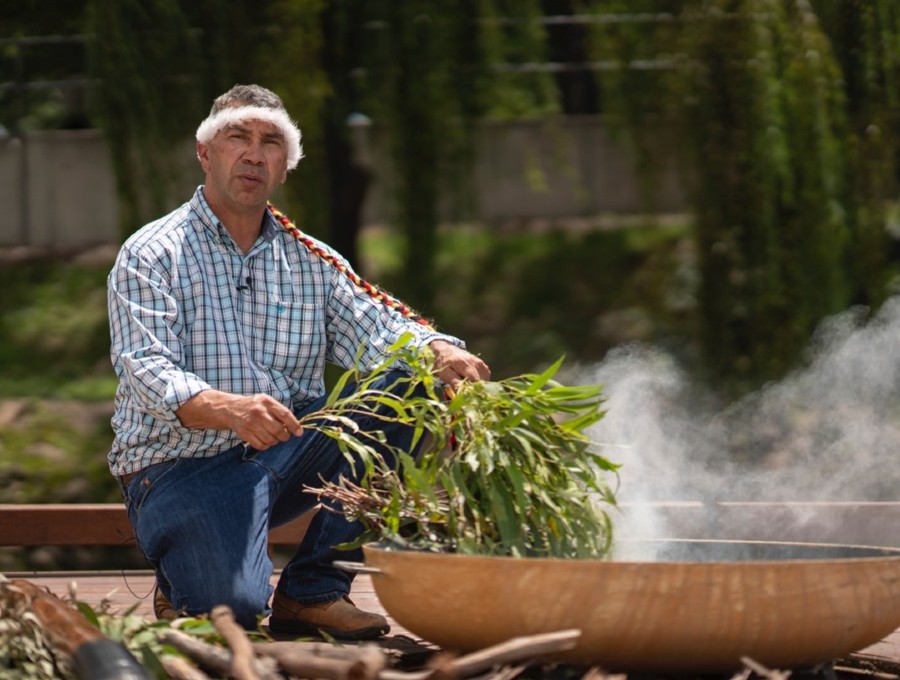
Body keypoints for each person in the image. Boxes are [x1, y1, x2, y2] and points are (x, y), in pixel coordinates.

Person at [107, 83, 490, 639]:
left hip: (287, 453)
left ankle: (313, 590)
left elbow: (379, 326)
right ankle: (186, 576)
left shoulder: (312, 259)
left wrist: (439, 349)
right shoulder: (150, 252)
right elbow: (145, 368)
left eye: (271, 142)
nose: (254, 153)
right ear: (205, 152)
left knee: (416, 382)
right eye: (237, 137)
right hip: (178, 468)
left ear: (286, 166)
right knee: (229, 611)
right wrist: (229, 409)